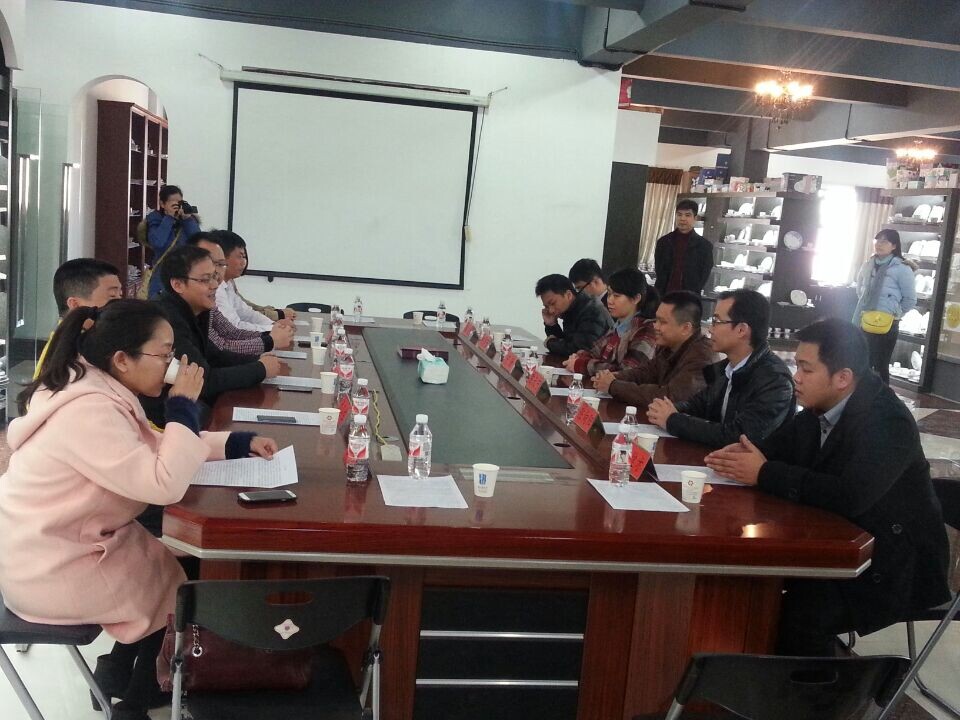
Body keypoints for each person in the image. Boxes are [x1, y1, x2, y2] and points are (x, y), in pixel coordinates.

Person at [0, 299, 277, 720]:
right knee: (183, 585)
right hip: (50, 567)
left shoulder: (94, 387)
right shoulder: (88, 410)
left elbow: (151, 444)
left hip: (56, 546)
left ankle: (120, 675)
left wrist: (234, 443)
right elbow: (162, 482)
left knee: (176, 567)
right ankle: (134, 704)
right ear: (122, 359)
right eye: (164, 355)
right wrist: (182, 405)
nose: (172, 366)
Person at [705, 319, 949, 656]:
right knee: (745, 583)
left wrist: (764, 472)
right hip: (834, 540)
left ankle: (818, 684)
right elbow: (772, 451)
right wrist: (740, 457)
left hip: (891, 565)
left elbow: (851, 496)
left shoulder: (888, 421)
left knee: (798, 613)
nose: (797, 377)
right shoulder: (817, 411)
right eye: (797, 366)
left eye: (806, 369)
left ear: (843, 378)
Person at [143, 245, 281, 426]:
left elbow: (214, 355)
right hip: (163, 412)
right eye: (205, 279)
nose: (215, 285)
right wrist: (260, 369)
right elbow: (203, 380)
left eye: (215, 277)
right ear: (177, 285)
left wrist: (258, 360)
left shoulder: (197, 309)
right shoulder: (166, 320)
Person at [646, 289, 794, 448]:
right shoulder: (727, 369)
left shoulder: (775, 380)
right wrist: (667, 410)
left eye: (716, 321)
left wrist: (672, 420)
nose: (710, 329)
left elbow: (737, 436)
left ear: (741, 330)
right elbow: (697, 405)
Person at [593, 291, 715, 413]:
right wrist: (612, 377)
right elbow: (644, 373)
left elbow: (669, 397)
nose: (655, 326)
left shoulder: (702, 356)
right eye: (656, 320)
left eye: (663, 322)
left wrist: (613, 386)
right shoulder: (668, 345)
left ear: (685, 328)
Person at [186, 232, 294, 356]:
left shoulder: (212, 295)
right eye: (210, 262)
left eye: (220, 264)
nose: (215, 272)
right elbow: (221, 348)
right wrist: (270, 338)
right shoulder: (178, 312)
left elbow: (232, 330)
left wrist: (272, 329)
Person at [35, 259, 124, 379]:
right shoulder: (71, 354)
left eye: (120, 295)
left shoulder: (90, 338)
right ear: (75, 304)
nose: (120, 303)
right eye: (112, 296)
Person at [563, 267, 657, 376]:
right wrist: (579, 357)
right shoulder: (619, 326)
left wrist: (581, 364)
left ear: (636, 298)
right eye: (609, 294)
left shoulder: (645, 330)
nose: (610, 300)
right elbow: (595, 352)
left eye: (616, 296)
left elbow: (627, 372)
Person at [853, 228, 917, 384]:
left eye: (884, 241)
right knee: (863, 363)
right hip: (865, 319)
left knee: (881, 365)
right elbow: (860, 289)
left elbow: (910, 299)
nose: (879, 244)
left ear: (894, 246)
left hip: (888, 323)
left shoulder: (902, 268)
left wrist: (896, 313)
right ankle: (863, 395)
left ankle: (882, 396)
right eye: (877, 240)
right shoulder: (868, 265)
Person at [210, 229, 299, 330]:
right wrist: (273, 328)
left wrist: (273, 324)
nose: (244, 262)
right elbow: (234, 328)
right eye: (240, 256)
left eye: (244, 257)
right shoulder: (216, 289)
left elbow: (246, 313)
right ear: (222, 257)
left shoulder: (228, 284)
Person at [143, 185, 200, 298]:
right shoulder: (155, 220)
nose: (176, 206)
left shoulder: (187, 220)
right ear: (162, 204)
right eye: (172, 202)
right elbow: (158, 243)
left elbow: (198, 242)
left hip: (184, 272)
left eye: (179, 202)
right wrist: (168, 218)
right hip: (162, 275)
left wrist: (188, 220)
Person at [536, 273, 614, 356]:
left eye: (552, 303)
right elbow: (566, 343)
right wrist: (551, 325)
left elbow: (579, 350)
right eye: (546, 306)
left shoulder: (591, 310)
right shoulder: (571, 310)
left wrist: (550, 343)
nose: (550, 310)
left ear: (569, 295)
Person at [653, 199, 713, 296]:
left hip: (690, 297)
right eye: (679, 214)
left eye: (687, 215)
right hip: (664, 295)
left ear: (695, 218)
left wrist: (693, 291)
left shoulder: (704, 246)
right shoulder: (664, 242)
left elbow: (704, 275)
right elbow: (659, 270)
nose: (682, 219)